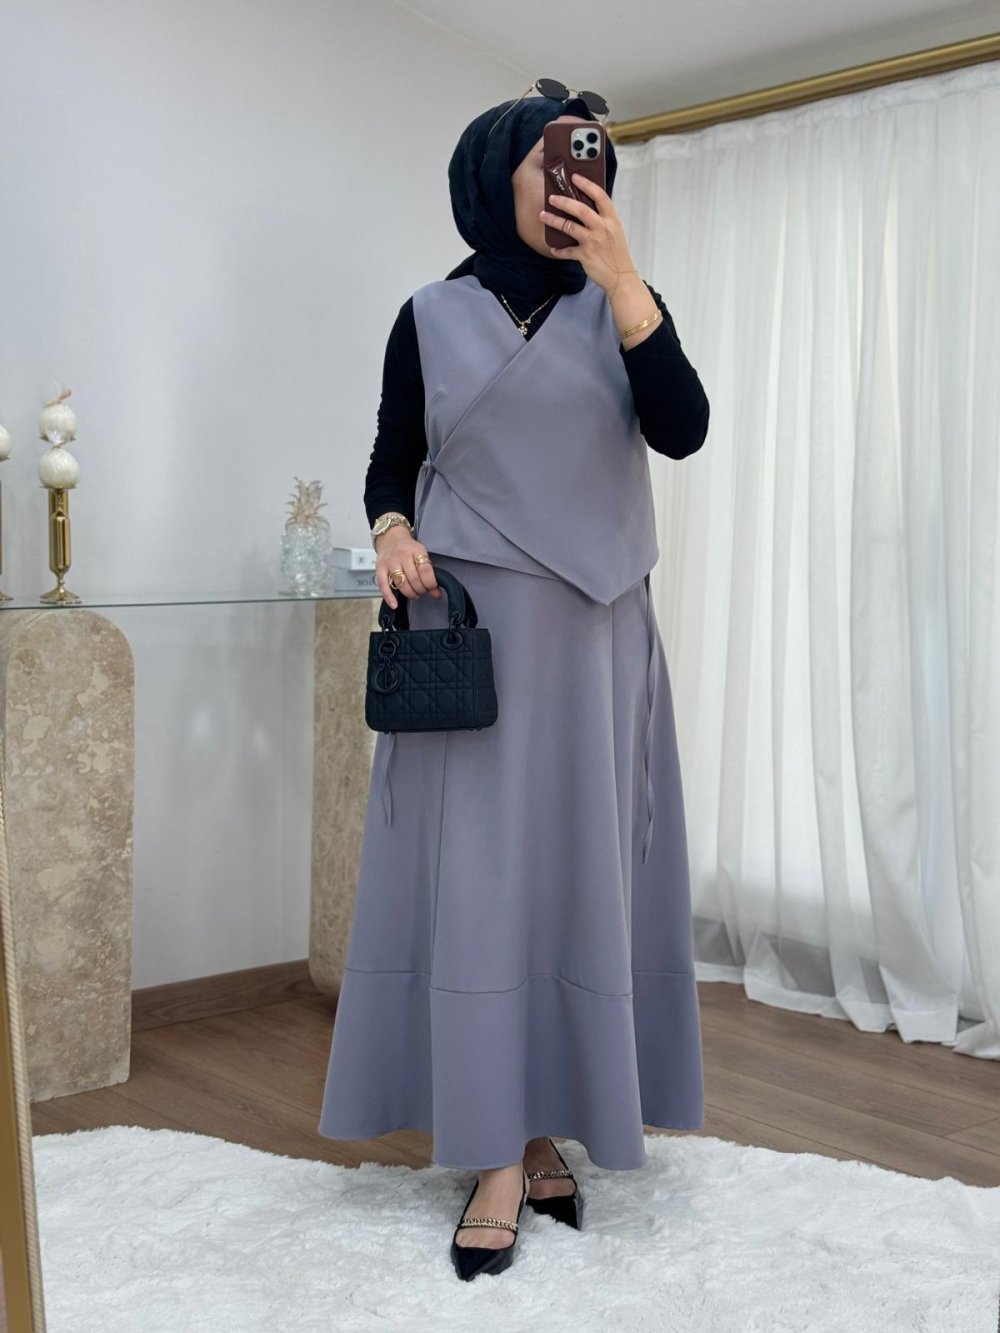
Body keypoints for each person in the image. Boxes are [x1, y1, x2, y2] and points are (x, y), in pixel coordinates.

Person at [317, 86, 710, 1283]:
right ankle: (494, 1151)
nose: (573, 185)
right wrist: (391, 529)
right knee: (484, 889)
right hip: (473, 639)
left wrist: (626, 283)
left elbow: (683, 429)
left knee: (574, 880)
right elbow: (391, 456)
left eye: (591, 167)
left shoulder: (622, 305)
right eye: (551, 165)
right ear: (498, 176)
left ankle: (543, 1126)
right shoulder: (428, 315)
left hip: (596, 640)